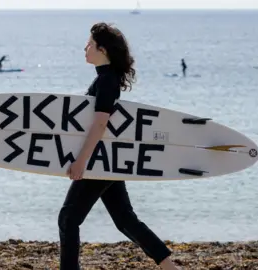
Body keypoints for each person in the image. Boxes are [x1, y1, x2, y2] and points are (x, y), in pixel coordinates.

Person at [58, 22, 180, 270]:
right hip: (108, 159)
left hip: (98, 161)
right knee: (124, 219)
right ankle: (169, 266)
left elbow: (101, 123)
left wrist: (82, 161)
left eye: (90, 44)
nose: (85, 48)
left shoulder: (106, 82)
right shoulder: (106, 79)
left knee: (68, 219)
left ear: (102, 50)